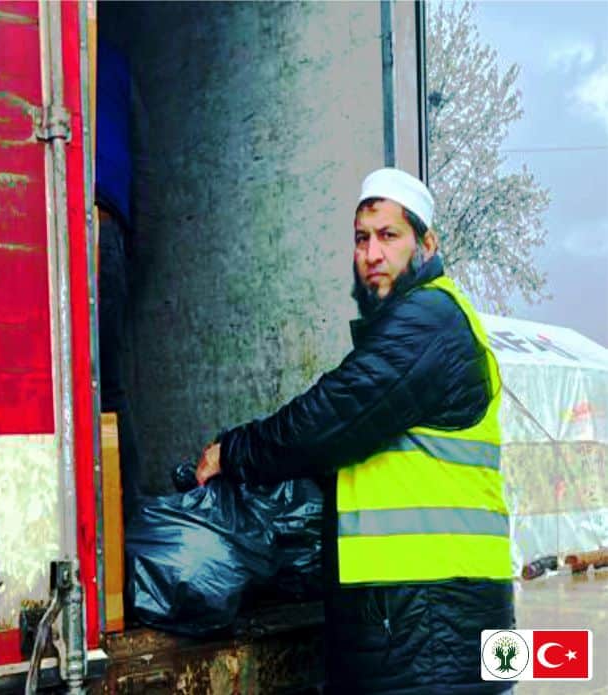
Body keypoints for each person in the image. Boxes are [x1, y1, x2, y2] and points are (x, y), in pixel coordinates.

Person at [195, 168, 514, 694]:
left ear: (427, 243)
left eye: (390, 236)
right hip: (452, 624)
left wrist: (234, 451)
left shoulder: (429, 320)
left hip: (430, 632)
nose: (371, 254)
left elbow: (330, 418)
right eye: (362, 239)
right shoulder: (437, 320)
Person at [96, 39, 146, 517]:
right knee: (108, 389)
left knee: (100, 390)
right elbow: (142, 165)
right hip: (107, 228)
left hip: (87, 226)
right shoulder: (116, 64)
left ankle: (126, 522)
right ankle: (131, 523)